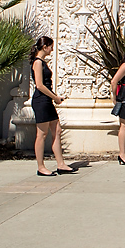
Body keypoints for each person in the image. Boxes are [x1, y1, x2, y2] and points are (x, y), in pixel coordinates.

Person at [30, 36, 75, 176]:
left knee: (57, 130)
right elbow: (39, 85)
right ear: (45, 47)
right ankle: (40, 166)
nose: (52, 49)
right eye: (51, 46)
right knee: (42, 134)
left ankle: (61, 164)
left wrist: (54, 97)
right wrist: (55, 97)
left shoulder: (42, 62)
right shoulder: (37, 62)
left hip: (47, 100)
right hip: (41, 101)